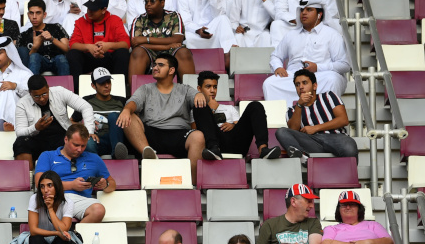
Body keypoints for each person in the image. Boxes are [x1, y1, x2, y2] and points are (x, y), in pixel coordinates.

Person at [116, 54, 209, 182]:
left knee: (198, 136)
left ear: (171, 70)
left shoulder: (185, 89)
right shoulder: (145, 89)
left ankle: (191, 182)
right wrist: (126, 109)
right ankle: (148, 153)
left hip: (178, 135)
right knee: (129, 116)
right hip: (150, 135)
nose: (155, 67)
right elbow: (134, 102)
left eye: (160, 65)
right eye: (154, 64)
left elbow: (203, 101)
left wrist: (199, 94)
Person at [263, 0, 350, 102]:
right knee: (270, 83)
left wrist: (317, 67)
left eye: (309, 10)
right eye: (302, 10)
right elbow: (276, 56)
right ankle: (285, 116)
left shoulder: (332, 35)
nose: (303, 13)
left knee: (332, 79)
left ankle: (325, 115)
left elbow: (344, 65)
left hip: (321, 76)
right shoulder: (291, 35)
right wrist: (278, 67)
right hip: (293, 77)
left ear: (319, 14)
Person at [34, 123, 115, 223]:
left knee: (98, 210)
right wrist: (72, 185)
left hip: (81, 201)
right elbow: (39, 183)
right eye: (76, 145)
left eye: (83, 146)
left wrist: (105, 185)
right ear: (66, 139)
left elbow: (112, 184)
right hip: (55, 198)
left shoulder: (94, 158)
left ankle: (74, 236)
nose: (79, 149)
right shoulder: (48, 156)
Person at [194, 71, 280, 159]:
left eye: (215, 87)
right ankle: (214, 149)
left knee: (255, 106)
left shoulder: (230, 108)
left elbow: (240, 127)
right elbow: (196, 131)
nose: (212, 91)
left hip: (236, 144)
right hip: (213, 144)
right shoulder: (196, 109)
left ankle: (263, 149)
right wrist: (211, 109)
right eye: (208, 87)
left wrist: (233, 126)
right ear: (199, 89)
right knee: (200, 106)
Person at [13, 75, 94, 166]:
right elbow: (19, 132)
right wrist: (36, 128)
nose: (42, 99)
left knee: (79, 141)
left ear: (48, 87)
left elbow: (86, 107)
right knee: (20, 142)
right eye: (36, 96)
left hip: (62, 138)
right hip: (38, 140)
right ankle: (28, 177)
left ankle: (82, 171)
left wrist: (89, 131)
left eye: (44, 94)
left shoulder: (59, 92)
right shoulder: (22, 103)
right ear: (30, 93)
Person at [276, 68, 357, 158]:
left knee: (349, 146)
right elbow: (293, 130)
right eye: (297, 84)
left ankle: (349, 171)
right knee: (281, 131)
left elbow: (343, 120)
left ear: (314, 86)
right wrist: (299, 105)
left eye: (304, 83)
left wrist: (315, 128)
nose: (301, 87)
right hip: (311, 142)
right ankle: (302, 157)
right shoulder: (292, 110)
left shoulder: (328, 96)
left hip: (335, 137)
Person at [173, 0, 238, 67]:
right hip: (195, 35)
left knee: (223, 18)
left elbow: (218, 17)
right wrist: (198, 30)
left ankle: (228, 56)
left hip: (212, 34)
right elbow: (186, 23)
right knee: (187, 39)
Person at [10, 171, 79, 244]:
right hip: (40, 236)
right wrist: (56, 233)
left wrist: (50, 209)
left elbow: (64, 230)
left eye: (49, 185)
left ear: (57, 186)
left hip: (59, 237)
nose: (45, 190)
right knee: (36, 240)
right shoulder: (34, 199)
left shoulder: (68, 202)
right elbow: (33, 230)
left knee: (64, 241)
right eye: (42, 186)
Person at [67, 0, 131, 92]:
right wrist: (89, 47)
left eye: (94, 9)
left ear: (103, 10)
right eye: (88, 7)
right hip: (88, 58)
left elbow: (126, 43)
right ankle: (77, 91)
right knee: (73, 54)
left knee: (123, 53)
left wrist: (108, 46)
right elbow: (73, 45)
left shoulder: (115, 20)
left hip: (108, 58)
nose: (89, 11)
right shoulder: (80, 22)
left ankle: (119, 93)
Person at [129, 0, 192, 78]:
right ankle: (134, 91)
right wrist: (166, 46)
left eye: (152, 1)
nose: (148, 5)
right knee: (137, 52)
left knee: (183, 52)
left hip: (171, 52)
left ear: (162, 3)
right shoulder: (139, 20)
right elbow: (135, 44)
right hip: (148, 53)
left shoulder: (173, 16)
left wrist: (146, 39)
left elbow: (177, 39)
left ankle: (191, 91)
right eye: (146, 2)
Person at [0, 36, 33, 131]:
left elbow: (32, 96)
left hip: (18, 116)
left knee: (7, 92)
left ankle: (9, 125)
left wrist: (15, 86)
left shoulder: (24, 74)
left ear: (9, 53)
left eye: (0, 53)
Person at [83, 68, 129, 159]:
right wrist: (84, 128)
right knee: (89, 142)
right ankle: (95, 166)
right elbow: (71, 121)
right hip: (98, 139)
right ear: (93, 85)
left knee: (113, 116)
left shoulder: (122, 101)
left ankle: (117, 152)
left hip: (119, 138)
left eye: (108, 82)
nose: (107, 86)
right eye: (102, 83)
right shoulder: (86, 101)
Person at [20, 0, 70, 76]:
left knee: (61, 58)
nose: (34, 17)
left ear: (44, 15)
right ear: (28, 15)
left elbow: (67, 49)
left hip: (56, 61)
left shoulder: (56, 27)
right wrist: (35, 48)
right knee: (34, 56)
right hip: (39, 62)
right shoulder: (23, 35)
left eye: (38, 13)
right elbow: (24, 62)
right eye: (31, 13)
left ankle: (66, 87)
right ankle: (33, 86)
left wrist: (52, 39)